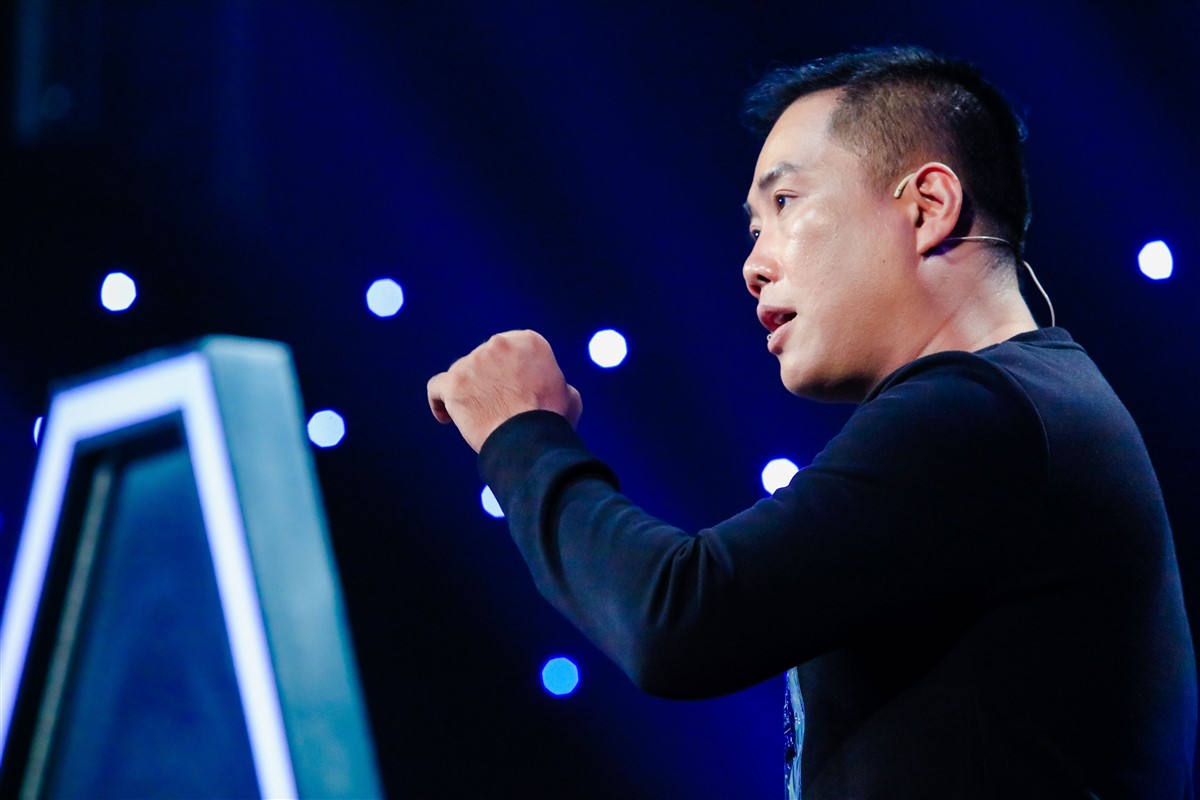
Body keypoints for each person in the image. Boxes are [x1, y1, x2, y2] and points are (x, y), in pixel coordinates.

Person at [426, 46, 1197, 798]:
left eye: (786, 203)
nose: (753, 265)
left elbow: (678, 621)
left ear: (928, 206)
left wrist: (521, 432)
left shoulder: (979, 413)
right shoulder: (1028, 404)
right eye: (754, 227)